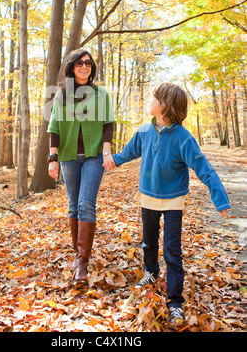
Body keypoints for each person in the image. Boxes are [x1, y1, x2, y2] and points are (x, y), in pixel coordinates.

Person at [104, 82, 231, 326]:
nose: (148, 102)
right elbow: (127, 153)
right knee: (148, 241)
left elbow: (205, 170)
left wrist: (220, 200)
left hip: (173, 200)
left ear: (165, 105)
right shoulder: (144, 131)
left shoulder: (184, 139)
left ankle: (175, 301)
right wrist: (111, 161)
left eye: (153, 98)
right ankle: (151, 273)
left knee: (172, 250)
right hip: (148, 197)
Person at [47, 49, 115, 283]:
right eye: (79, 63)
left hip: (94, 155)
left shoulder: (101, 94)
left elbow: (108, 124)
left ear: (92, 67)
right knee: (73, 206)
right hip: (67, 156)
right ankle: (78, 255)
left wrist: (107, 151)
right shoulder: (61, 95)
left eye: (88, 63)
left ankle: (82, 263)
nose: (84, 66)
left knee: (86, 203)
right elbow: (54, 127)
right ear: (72, 67)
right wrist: (52, 157)